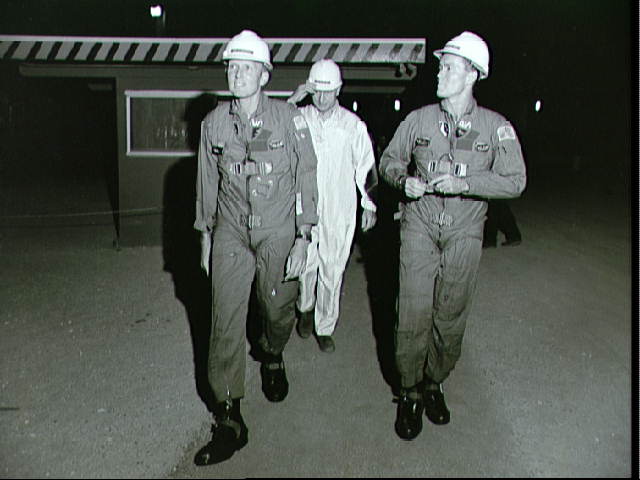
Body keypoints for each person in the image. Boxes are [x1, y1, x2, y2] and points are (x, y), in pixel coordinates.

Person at [379, 31, 527, 441]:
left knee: (450, 315)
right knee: (412, 312)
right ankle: (409, 391)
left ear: (472, 74)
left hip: (465, 231)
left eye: (449, 68)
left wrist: (466, 183)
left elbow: (515, 180)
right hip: (420, 224)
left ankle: (434, 383)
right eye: (441, 67)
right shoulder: (418, 120)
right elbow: (389, 160)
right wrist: (402, 180)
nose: (439, 74)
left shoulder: (496, 127)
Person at [192, 30, 319, 465]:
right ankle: (229, 417)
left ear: (264, 75)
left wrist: (304, 235)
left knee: (277, 308)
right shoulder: (213, 123)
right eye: (232, 67)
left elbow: (306, 174)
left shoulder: (289, 119)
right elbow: (207, 183)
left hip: (279, 230)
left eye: (246, 68)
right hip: (231, 231)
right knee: (224, 318)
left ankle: (272, 352)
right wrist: (205, 235)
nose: (237, 74)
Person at [286, 59, 378, 353]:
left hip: (340, 209)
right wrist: (293, 99)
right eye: (317, 91)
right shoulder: (299, 118)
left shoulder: (352, 125)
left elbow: (366, 167)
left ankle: (324, 326)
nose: (322, 98)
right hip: (306, 206)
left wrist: (370, 204)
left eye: (328, 92)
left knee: (332, 269)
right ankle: (305, 308)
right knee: (305, 264)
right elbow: (273, 128)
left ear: (338, 90)